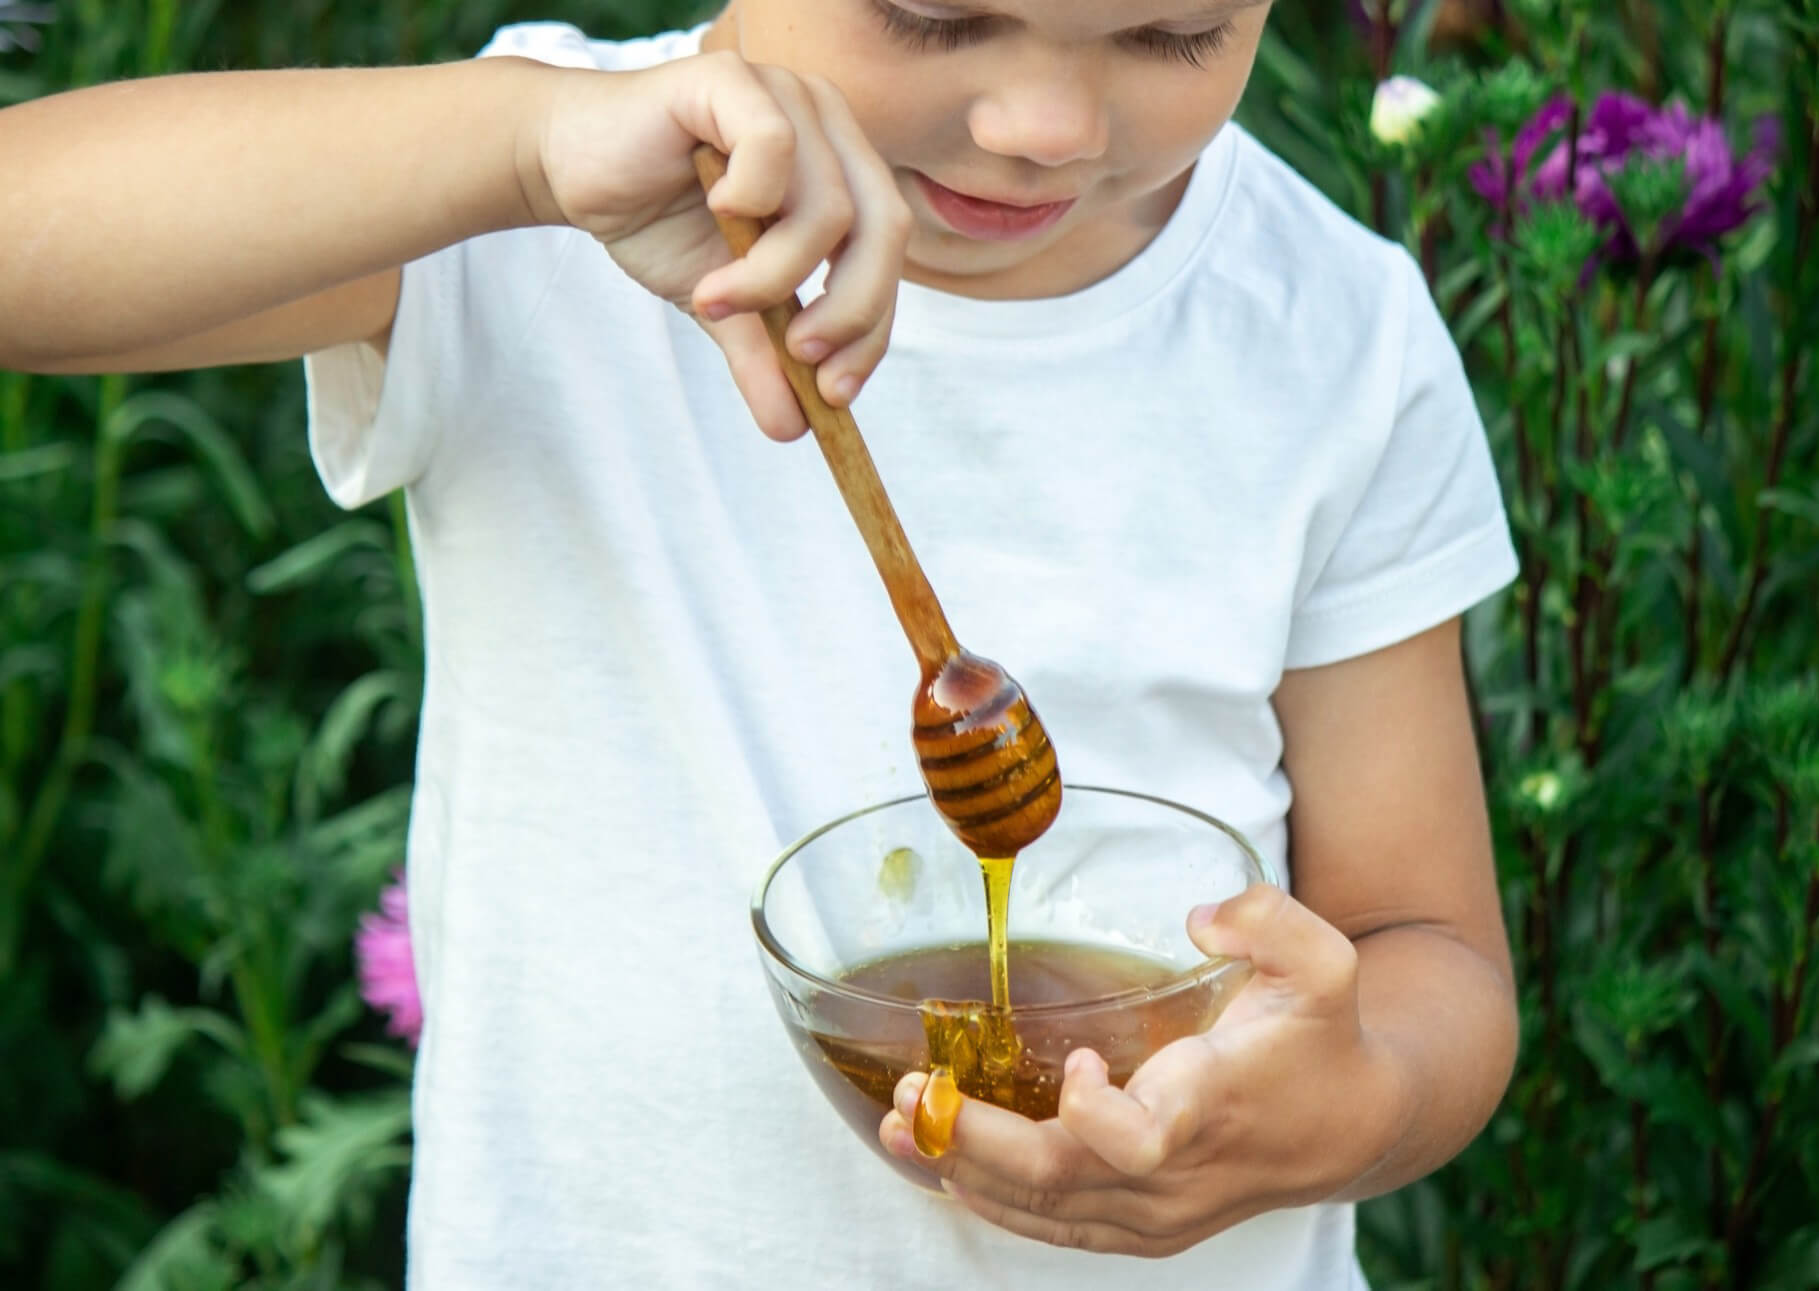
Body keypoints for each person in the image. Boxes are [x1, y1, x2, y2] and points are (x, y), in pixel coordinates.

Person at [0, 2, 1522, 1287]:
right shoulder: (544, 214)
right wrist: (519, 148)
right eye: (935, 11)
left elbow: (1432, 953)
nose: (1049, 121)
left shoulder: (1333, 336)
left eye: (1174, 31)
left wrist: (1355, 1097)